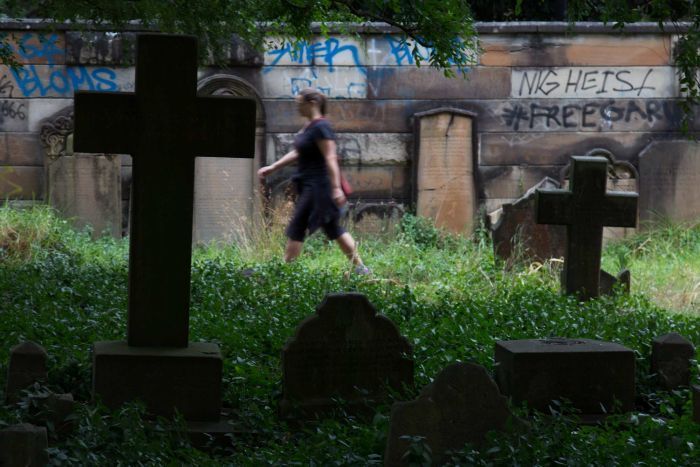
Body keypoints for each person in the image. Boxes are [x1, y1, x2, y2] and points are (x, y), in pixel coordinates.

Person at [257, 88, 370, 274]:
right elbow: (298, 152)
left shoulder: (321, 127)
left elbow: (331, 157)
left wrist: (336, 188)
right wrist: (273, 167)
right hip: (311, 185)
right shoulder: (309, 127)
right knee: (332, 227)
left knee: (298, 225)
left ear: (312, 103)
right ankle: (360, 268)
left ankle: (285, 271)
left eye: (299, 103)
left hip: (318, 186)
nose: (297, 107)